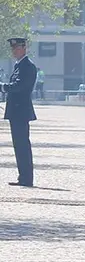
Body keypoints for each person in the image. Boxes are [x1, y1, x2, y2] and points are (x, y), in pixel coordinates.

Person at [2, 37, 37, 187]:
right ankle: (22, 176)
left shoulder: (27, 67)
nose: (14, 51)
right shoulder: (19, 66)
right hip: (16, 111)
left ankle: (26, 178)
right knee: (18, 145)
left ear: (24, 48)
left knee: (22, 144)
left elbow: (20, 86)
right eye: (13, 49)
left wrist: (3, 86)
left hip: (20, 111)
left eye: (16, 48)